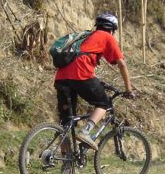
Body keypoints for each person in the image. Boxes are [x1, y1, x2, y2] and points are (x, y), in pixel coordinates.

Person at [54, 12, 134, 151]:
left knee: (65, 122)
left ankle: (64, 161)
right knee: (104, 103)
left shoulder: (87, 36)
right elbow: (121, 64)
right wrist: (129, 90)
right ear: (112, 29)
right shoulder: (107, 37)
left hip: (61, 77)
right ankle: (85, 132)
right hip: (81, 74)